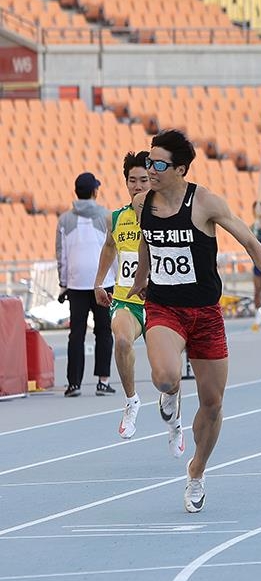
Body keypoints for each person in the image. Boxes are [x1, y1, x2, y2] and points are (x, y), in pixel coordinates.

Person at [128, 129, 261, 513]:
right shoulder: (142, 204)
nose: (150, 170)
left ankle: (197, 471)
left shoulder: (204, 203)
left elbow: (252, 243)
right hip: (164, 308)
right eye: (148, 161)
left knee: (213, 404)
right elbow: (146, 240)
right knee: (166, 377)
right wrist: (142, 275)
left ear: (180, 169)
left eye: (158, 164)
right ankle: (170, 397)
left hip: (205, 313)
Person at [93, 151, 150, 438]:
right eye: (132, 181)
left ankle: (175, 419)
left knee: (168, 379)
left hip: (162, 303)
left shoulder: (167, 217)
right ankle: (131, 401)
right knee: (123, 340)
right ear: (126, 183)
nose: (138, 186)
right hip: (128, 299)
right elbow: (108, 247)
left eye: (143, 180)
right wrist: (98, 283)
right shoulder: (116, 218)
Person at [56, 172, 116, 397]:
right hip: (103, 282)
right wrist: (116, 279)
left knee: (77, 334)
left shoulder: (65, 220)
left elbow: (61, 254)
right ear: (94, 192)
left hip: (76, 282)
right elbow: (113, 251)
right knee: (103, 331)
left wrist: (63, 282)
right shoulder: (107, 216)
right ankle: (103, 380)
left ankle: (74, 384)